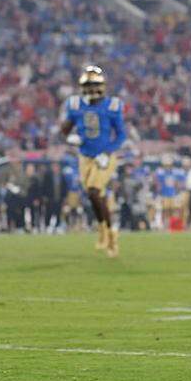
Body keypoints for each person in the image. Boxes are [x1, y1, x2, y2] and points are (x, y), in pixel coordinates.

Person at [60, 65, 126, 256]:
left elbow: (121, 135)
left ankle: (107, 234)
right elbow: (64, 130)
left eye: (93, 85)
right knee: (96, 196)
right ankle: (107, 231)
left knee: (94, 191)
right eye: (87, 85)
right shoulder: (74, 105)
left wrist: (108, 152)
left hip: (104, 157)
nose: (90, 89)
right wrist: (70, 137)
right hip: (85, 157)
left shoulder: (112, 106)